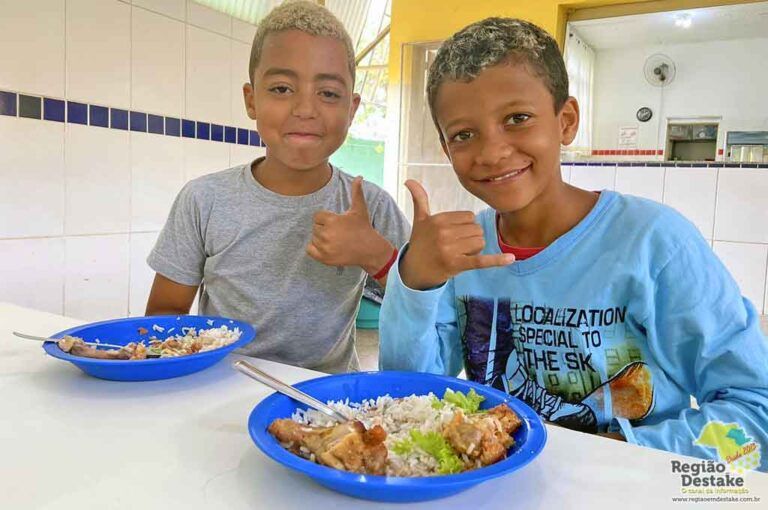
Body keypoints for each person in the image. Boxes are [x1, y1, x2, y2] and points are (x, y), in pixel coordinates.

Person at [379, 17, 768, 470]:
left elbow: (754, 412)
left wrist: (612, 458)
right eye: (464, 134)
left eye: (517, 119)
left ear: (565, 121)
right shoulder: (459, 254)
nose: (491, 151)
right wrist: (415, 282)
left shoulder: (653, 242)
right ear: (447, 150)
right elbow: (410, 398)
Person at [145, 1, 409, 373]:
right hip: (218, 395)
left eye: (329, 93)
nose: (305, 108)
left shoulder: (370, 206)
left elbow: (426, 312)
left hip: (329, 404)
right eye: (282, 88)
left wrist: (375, 255)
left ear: (351, 109)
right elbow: (164, 315)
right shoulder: (203, 200)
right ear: (252, 100)